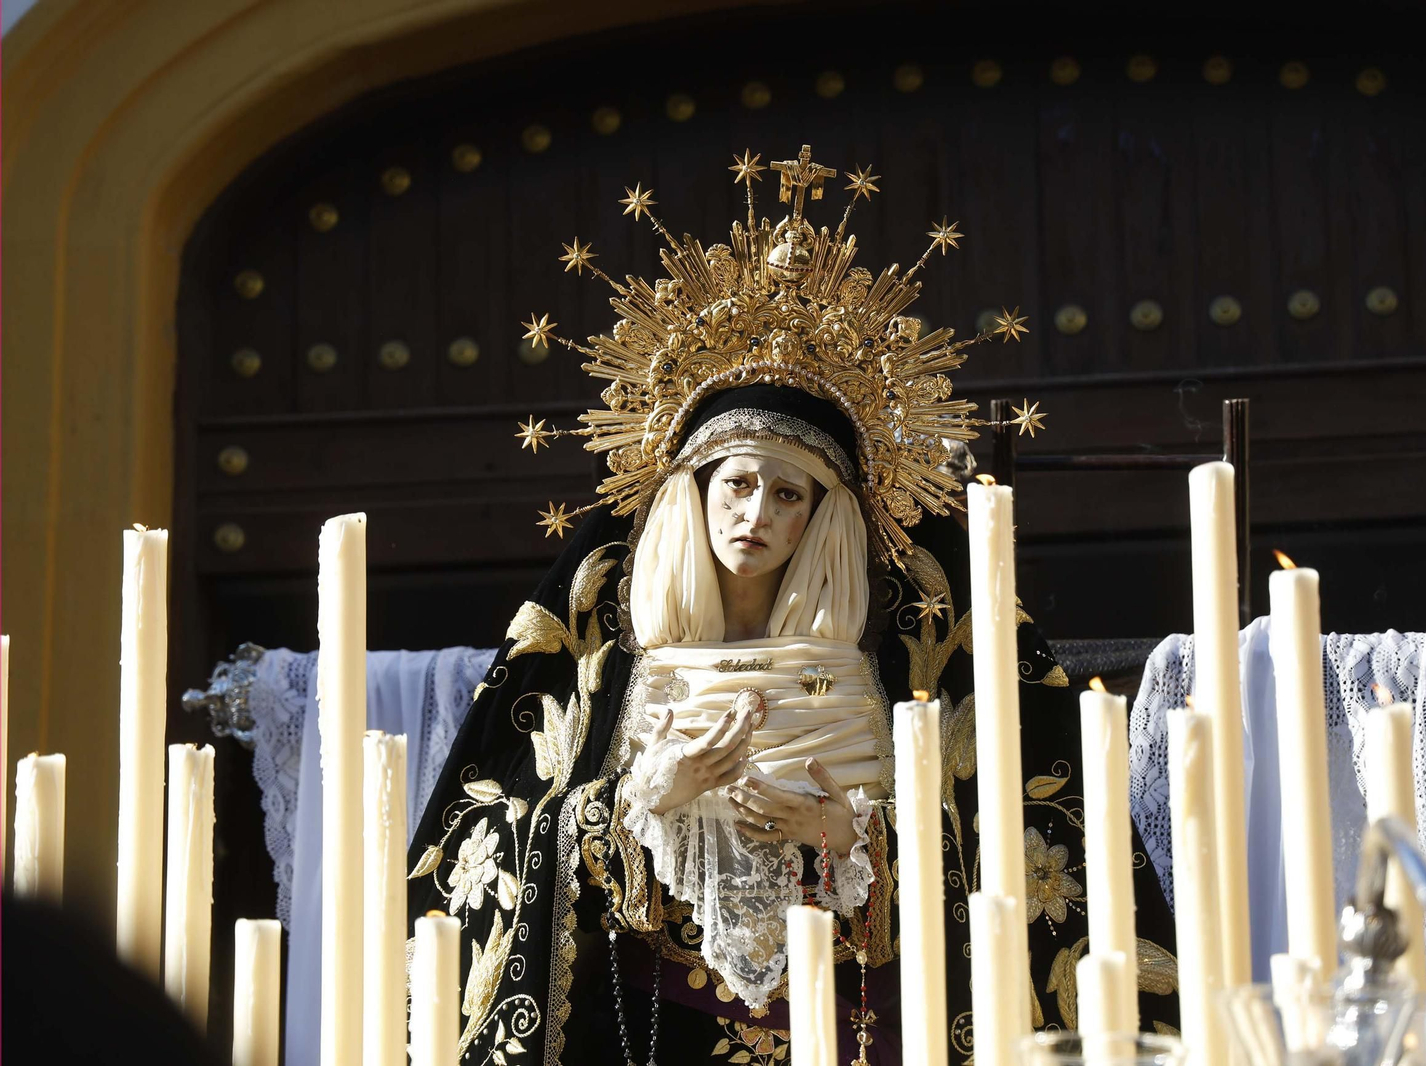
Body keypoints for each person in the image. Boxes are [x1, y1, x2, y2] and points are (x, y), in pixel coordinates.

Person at [406, 146, 1177, 1066]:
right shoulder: (598, 625)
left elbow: (1014, 829)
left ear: (825, 513)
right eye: (736, 485)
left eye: (788, 493)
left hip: (868, 1018)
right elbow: (501, 835)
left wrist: (848, 833)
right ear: (693, 491)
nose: (756, 514)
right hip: (656, 1025)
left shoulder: (912, 623)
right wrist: (647, 796)